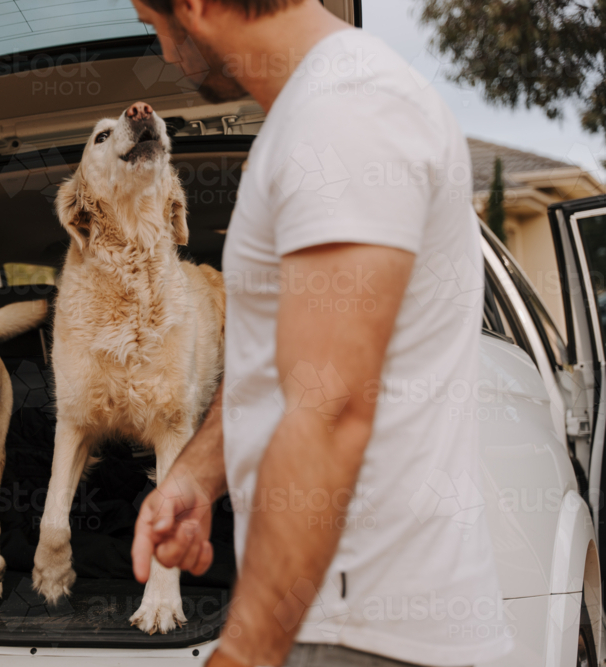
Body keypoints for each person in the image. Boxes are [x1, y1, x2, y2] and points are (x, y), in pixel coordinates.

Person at [128, 1, 513, 666]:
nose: (164, 51)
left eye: (152, 24)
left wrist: (244, 652)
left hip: (368, 633)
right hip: (339, 623)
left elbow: (329, 409)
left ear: (191, 7)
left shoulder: (346, 110)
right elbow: (279, 366)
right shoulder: (317, 112)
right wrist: (195, 476)